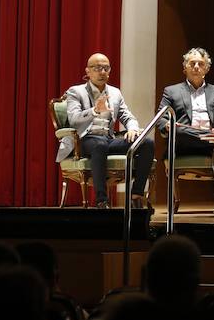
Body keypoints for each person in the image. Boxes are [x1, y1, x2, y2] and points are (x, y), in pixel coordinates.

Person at [60, 53, 154, 209]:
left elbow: (128, 117)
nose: (102, 72)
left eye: (105, 68)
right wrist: (95, 110)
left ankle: (136, 194)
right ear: (88, 71)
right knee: (99, 145)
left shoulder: (115, 93)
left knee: (146, 143)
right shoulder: (76, 92)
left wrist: (132, 128)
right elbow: (74, 119)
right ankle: (101, 200)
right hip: (84, 140)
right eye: (97, 68)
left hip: (108, 139)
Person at [157, 48, 214, 214]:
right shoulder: (171, 91)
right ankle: (206, 135)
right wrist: (166, 125)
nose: (196, 67)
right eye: (191, 63)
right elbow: (161, 118)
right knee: (178, 129)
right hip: (184, 142)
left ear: (207, 69)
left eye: (200, 64)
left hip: (213, 142)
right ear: (184, 67)